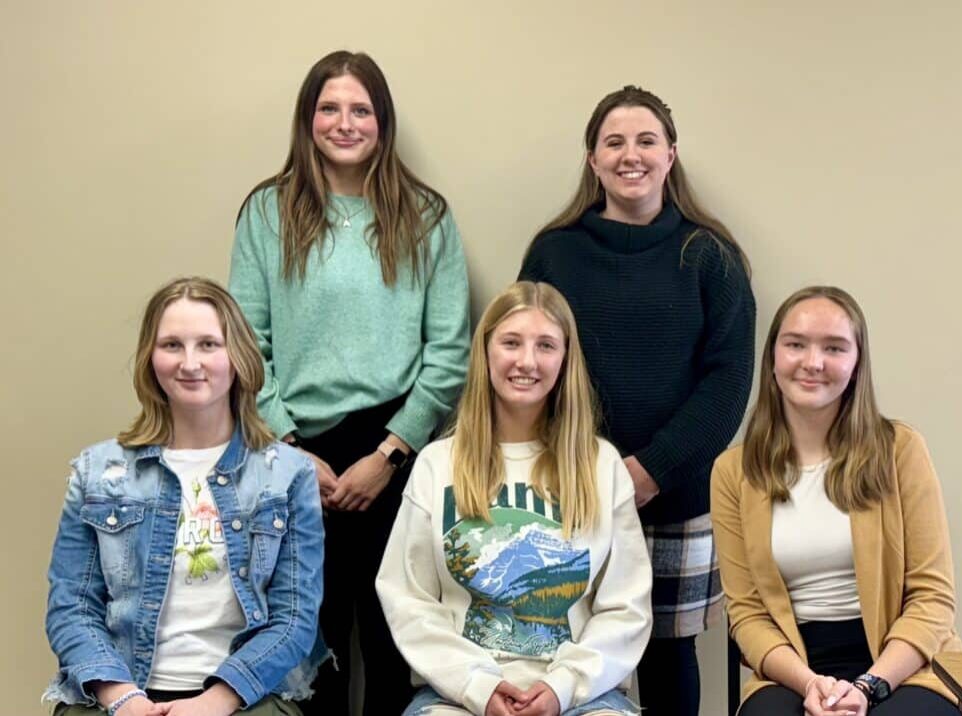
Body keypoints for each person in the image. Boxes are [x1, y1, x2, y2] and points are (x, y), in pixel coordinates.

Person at [229, 50, 470, 714]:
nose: (345, 123)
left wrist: (391, 454)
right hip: (293, 450)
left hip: (395, 450)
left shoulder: (426, 215)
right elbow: (245, 345)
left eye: (360, 109)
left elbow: (449, 350)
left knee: (395, 637)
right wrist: (288, 448)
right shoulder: (268, 214)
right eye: (329, 108)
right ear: (307, 120)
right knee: (312, 641)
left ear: (382, 122)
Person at [519, 85, 754, 716]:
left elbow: (729, 382)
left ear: (671, 155)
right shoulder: (555, 252)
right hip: (568, 492)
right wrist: (588, 474)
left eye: (646, 140)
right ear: (592, 160)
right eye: (614, 142)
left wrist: (648, 472)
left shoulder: (709, 255)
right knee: (568, 654)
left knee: (667, 654)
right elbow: (527, 364)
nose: (631, 155)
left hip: (674, 496)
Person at [44, 277, 325, 716]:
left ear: (239, 356)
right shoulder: (98, 472)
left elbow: (294, 620)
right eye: (172, 345)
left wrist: (217, 700)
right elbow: (72, 608)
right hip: (118, 694)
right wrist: (123, 696)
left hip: (245, 698)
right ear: (150, 358)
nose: (190, 362)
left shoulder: (288, 475)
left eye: (209, 344)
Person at [376, 281, 652, 716]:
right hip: (459, 697)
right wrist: (478, 687)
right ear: (486, 352)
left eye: (546, 345)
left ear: (565, 359)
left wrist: (562, 687)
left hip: (582, 697)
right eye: (511, 343)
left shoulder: (602, 465)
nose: (527, 361)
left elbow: (626, 607)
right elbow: (407, 598)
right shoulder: (436, 465)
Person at [710, 286, 962, 716]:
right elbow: (748, 615)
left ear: (856, 363)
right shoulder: (734, 472)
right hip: (795, 670)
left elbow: (933, 599)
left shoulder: (900, 450)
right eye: (795, 345)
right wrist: (812, 685)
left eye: (834, 347)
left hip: (905, 666)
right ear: (773, 358)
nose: (813, 362)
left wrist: (868, 686)